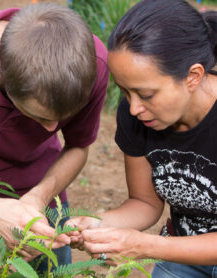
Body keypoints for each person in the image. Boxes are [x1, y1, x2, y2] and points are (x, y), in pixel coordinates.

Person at [0, 2, 108, 268]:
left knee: (53, 269)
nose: (52, 130)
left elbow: (77, 147)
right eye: (39, 116)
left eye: (59, 119)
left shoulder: (89, 63)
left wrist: (38, 198)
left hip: (36, 192)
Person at [67, 0, 217, 277]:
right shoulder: (137, 114)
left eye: (146, 95)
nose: (133, 108)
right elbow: (145, 203)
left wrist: (147, 245)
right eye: (125, 92)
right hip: (185, 254)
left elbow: (150, 246)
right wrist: (97, 223)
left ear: (193, 77)